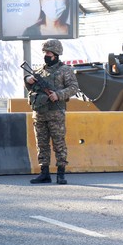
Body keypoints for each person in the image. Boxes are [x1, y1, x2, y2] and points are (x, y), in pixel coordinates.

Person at [24, 38, 79, 184]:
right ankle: (44, 173)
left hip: (55, 114)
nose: (46, 55)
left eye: (49, 52)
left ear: (55, 54)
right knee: (41, 144)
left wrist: (58, 95)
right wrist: (28, 81)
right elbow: (32, 89)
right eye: (45, 52)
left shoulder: (65, 71)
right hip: (40, 114)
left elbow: (74, 88)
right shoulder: (39, 71)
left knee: (59, 143)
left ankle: (61, 173)